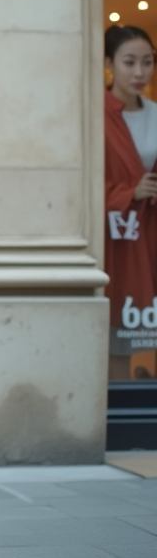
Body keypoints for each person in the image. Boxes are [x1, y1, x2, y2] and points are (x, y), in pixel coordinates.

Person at [104, 25, 157, 381]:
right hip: (119, 238)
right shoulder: (96, 115)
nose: (140, 72)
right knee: (120, 334)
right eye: (129, 62)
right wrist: (128, 193)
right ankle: (122, 414)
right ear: (109, 63)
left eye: (148, 62)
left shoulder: (155, 113)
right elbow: (77, 185)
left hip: (153, 233)